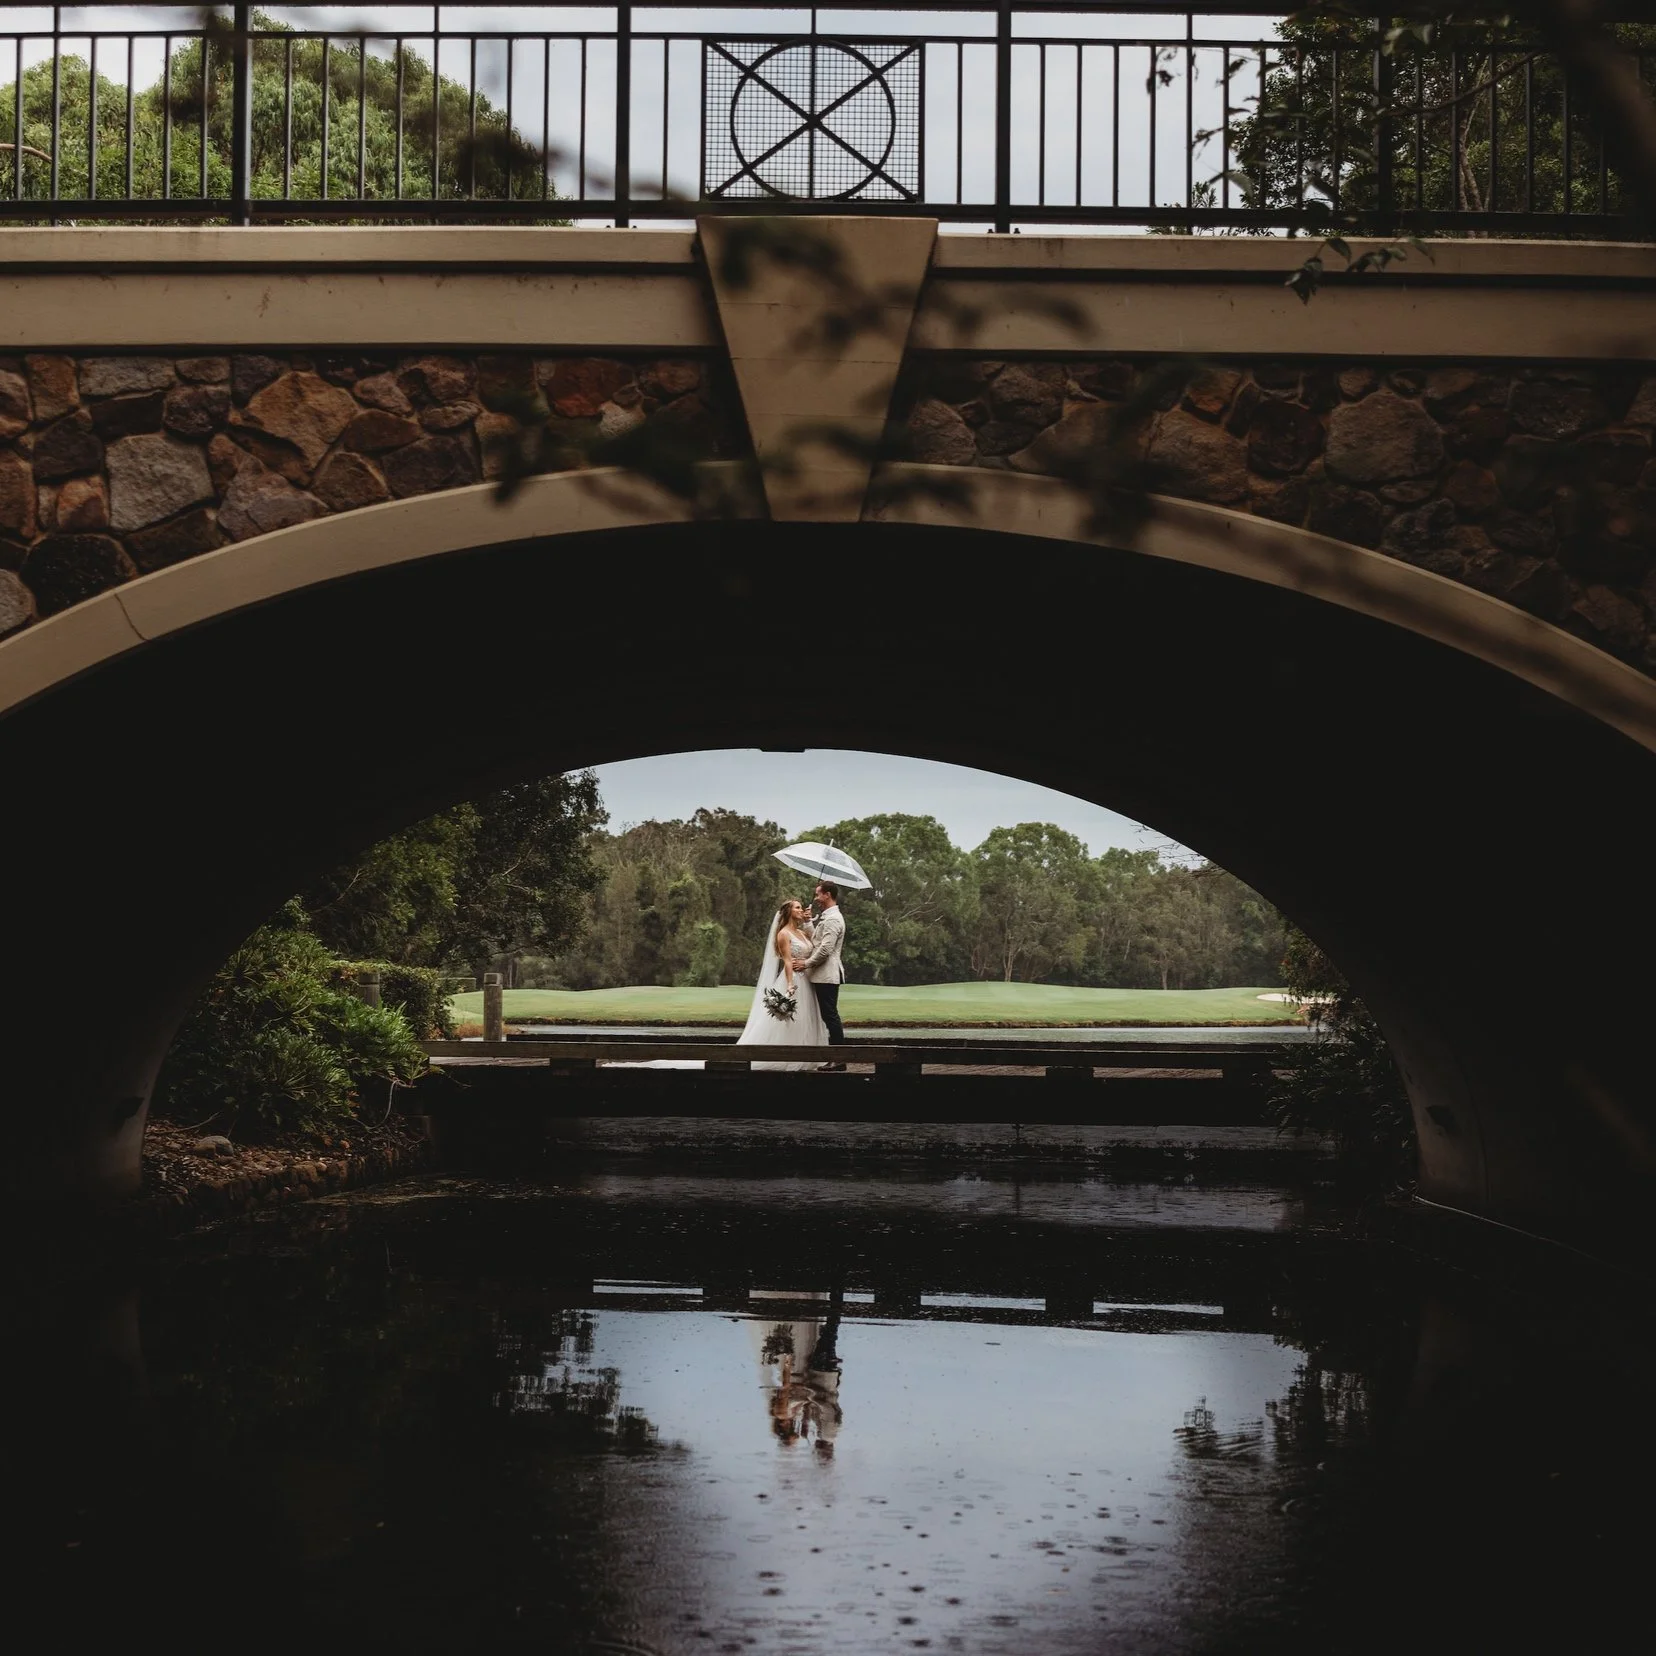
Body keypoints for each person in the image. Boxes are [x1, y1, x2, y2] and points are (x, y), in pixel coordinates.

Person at [736, 897, 828, 1070]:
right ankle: (789, 1055)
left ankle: (808, 1055)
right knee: (795, 1019)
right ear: (788, 912)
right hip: (795, 979)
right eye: (797, 908)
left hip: (808, 980)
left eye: (801, 908)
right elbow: (787, 961)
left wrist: (808, 921)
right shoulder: (783, 934)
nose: (801, 910)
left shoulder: (802, 932)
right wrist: (790, 983)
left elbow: (817, 944)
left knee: (808, 1018)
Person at [796, 880, 848, 1072]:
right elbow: (816, 941)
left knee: (830, 1016)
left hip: (827, 974)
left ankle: (839, 1060)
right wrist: (808, 922)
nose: (816, 898)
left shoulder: (833, 919)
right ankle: (836, 1058)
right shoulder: (828, 917)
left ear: (827, 895)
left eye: (818, 894)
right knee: (828, 1015)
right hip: (821, 974)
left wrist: (806, 963)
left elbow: (825, 949)